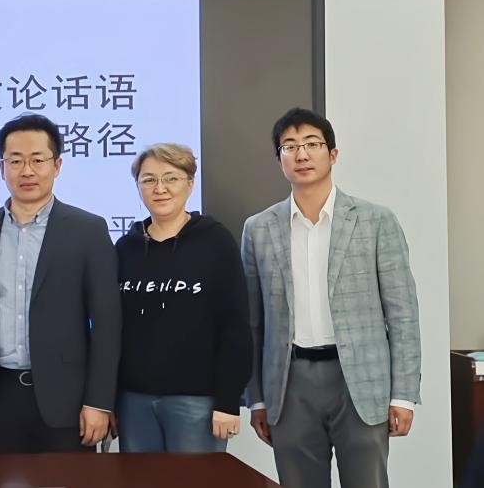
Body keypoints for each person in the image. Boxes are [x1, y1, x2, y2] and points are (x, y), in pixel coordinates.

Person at [243, 107, 421, 488]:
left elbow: (402, 314)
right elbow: (252, 323)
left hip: (359, 381)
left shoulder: (376, 221)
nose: (302, 154)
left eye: (312, 144)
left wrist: (404, 394)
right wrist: (256, 397)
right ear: (279, 159)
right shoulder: (258, 229)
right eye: (290, 146)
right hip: (290, 383)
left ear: (333, 154)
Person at [0, 113, 120, 453]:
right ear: (2, 168)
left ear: (57, 165)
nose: (26, 171)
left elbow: (107, 324)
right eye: (15, 161)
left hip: (68, 401)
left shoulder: (88, 230)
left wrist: (99, 402)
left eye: (37, 160)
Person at [114, 143, 251, 452]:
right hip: (134, 402)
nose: (159, 188)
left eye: (171, 178)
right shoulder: (125, 248)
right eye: (148, 180)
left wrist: (228, 401)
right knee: (138, 478)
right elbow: (112, 329)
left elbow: (235, 327)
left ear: (190, 184)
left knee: (195, 478)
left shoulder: (215, 242)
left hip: (197, 402)